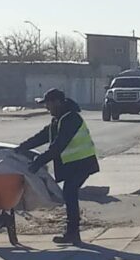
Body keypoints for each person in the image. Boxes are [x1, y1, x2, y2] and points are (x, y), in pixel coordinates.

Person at [17, 89, 99, 244]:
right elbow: (42, 136)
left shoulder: (71, 119)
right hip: (74, 164)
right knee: (69, 194)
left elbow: (57, 146)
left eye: (48, 104)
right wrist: (21, 147)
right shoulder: (60, 119)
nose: (46, 108)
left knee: (69, 193)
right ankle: (72, 233)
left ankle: (73, 233)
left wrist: (38, 162)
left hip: (82, 163)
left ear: (57, 102)